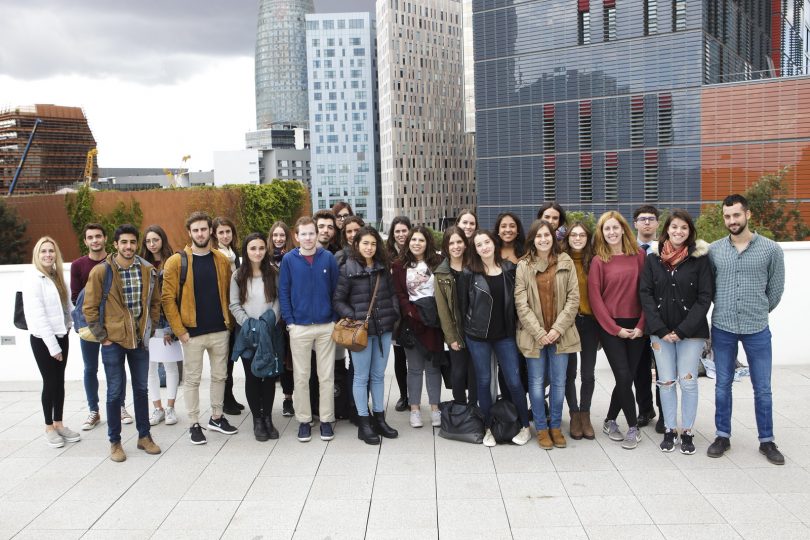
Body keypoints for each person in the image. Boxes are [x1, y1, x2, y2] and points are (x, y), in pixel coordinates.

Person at [707, 194, 785, 465]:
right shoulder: (714, 250)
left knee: (762, 387)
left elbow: (775, 290)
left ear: (748, 215)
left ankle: (767, 440)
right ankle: (722, 436)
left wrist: (758, 310)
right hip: (723, 327)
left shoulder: (771, 249)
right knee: (722, 385)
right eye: (727, 216)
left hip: (757, 328)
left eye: (736, 215)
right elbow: (710, 288)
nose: (732, 221)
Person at [84, 224, 161, 462]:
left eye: (132, 242)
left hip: (139, 340)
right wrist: (103, 337)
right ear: (115, 244)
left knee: (141, 389)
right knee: (115, 392)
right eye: (123, 242)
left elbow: (155, 303)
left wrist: (151, 327)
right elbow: (89, 307)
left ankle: (144, 436)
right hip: (113, 341)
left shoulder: (147, 269)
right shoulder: (101, 271)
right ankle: (115, 442)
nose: (128, 247)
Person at [639, 210, 713, 455]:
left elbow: (705, 298)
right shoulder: (653, 259)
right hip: (660, 333)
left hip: (690, 334)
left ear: (690, 231)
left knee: (688, 382)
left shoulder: (699, 259)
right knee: (666, 382)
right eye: (674, 227)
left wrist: (681, 330)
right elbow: (646, 294)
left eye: (683, 227)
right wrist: (661, 329)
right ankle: (670, 429)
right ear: (667, 230)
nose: (678, 231)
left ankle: (688, 432)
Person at [162, 211, 238, 445]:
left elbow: (228, 292)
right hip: (191, 333)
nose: (200, 233)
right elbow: (167, 299)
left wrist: (229, 325)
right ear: (190, 233)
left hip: (219, 330)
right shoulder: (177, 261)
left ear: (210, 231)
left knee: (220, 376)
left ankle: (216, 417)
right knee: (193, 380)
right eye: (196, 230)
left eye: (204, 229)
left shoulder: (221, 259)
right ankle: (194, 423)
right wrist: (180, 331)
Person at [459, 229, 531, 447]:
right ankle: (488, 427)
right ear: (475, 249)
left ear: (494, 243)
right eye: (479, 244)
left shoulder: (510, 268)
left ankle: (525, 426)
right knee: (483, 381)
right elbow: (463, 307)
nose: (484, 247)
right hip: (478, 336)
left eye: (487, 242)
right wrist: (466, 333)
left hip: (505, 335)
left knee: (514, 381)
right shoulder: (469, 273)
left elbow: (518, 302)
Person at [515, 220, 581, 450]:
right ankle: (541, 428)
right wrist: (540, 332)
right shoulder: (523, 265)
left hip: (561, 334)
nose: (543, 239)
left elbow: (574, 300)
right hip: (535, 336)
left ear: (553, 237)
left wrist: (556, 330)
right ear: (532, 239)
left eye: (547, 235)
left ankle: (555, 426)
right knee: (535, 383)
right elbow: (521, 304)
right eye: (539, 236)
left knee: (559, 383)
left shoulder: (566, 261)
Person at [333, 227, 400, 444]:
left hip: (383, 329)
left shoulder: (382, 267)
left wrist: (393, 316)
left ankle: (379, 419)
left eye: (373, 243)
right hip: (360, 332)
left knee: (379, 376)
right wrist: (356, 317)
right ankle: (363, 422)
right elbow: (338, 301)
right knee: (361, 377)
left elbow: (392, 295)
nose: (369, 247)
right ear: (356, 245)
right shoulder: (347, 269)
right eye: (365, 243)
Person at [588, 211, 647, 450]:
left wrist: (642, 326)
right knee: (623, 376)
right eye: (606, 229)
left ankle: (610, 419)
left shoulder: (640, 256)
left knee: (628, 378)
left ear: (623, 228)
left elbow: (647, 295)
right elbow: (595, 300)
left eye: (615, 227)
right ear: (601, 234)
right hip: (611, 327)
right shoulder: (598, 261)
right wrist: (614, 329)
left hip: (637, 326)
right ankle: (633, 427)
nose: (611, 232)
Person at [279, 216, 339, 442]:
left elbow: (336, 290)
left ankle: (326, 420)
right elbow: (283, 291)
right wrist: (290, 322)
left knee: (326, 376)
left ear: (317, 235)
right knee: (302, 377)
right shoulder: (289, 260)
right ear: (296, 237)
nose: (307, 237)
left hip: (325, 326)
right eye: (303, 234)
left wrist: (333, 318)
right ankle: (304, 420)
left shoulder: (328, 258)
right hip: (300, 327)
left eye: (311, 233)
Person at [70, 223, 130, 430]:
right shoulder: (78, 265)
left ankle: (121, 407)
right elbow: (75, 297)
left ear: (105, 239)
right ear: (85, 241)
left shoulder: (115, 261)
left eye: (98, 236)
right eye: (90, 237)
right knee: (90, 368)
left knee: (116, 367)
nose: (95, 240)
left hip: (114, 326)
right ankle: (93, 410)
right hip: (88, 325)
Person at [24, 237, 81, 448]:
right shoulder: (33, 279)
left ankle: (59, 423)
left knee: (60, 382)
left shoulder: (57, 276)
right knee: (50, 383)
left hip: (61, 335)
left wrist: (75, 325)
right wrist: (53, 347)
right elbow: (39, 317)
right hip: (43, 340)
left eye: (51, 251)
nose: (48, 255)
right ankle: (49, 427)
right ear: (37, 255)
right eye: (43, 251)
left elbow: (67, 307)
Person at [229, 232, 282, 442]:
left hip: (271, 331)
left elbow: (279, 300)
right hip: (247, 334)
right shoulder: (237, 276)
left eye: (261, 248)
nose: (257, 252)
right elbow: (234, 304)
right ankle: (257, 420)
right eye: (253, 248)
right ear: (246, 251)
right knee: (252, 376)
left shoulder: (274, 273)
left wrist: (268, 323)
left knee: (268, 376)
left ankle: (268, 418)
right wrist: (251, 326)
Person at [392, 226, 445, 429]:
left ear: (427, 243)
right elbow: (399, 293)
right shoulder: (399, 265)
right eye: (413, 239)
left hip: (433, 322)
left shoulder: (438, 262)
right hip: (411, 322)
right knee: (414, 369)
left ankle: (435, 409)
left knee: (433, 368)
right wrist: (412, 312)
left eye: (421, 240)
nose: (416, 243)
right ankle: (414, 410)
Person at [139, 225, 180, 427]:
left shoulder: (173, 261)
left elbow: (177, 296)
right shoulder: (140, 264)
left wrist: (172, 328)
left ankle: (171, 407)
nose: (152, 244)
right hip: (147, 324)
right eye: (148, 241)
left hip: (167, 322)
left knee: (170, 366)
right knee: (150, 368)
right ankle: (158, 409)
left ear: (162, 239)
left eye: (155, 239)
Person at [562, 222, 598, 440]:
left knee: (588, 373)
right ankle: (574, 413)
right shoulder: (562, 261)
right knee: (569, 373)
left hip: (590, 322)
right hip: (568, 323)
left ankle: (586, 413)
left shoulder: (594, 261)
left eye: (581, 235)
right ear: (567, 238)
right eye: (573, 235)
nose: (577, 238)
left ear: (588, 237)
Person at [435, 226, 476, 405]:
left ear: (466, 244)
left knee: (475, 372)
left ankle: (474, 408)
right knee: (458, 372)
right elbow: (442, 309)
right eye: (451, 243)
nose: (456, 246)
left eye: (459, 242)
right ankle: (460, 407)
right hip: (456, 329)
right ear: (446, 246)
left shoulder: (474, 267)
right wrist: (451, 337)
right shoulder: (441, 273)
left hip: (476, 329)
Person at [632, 205, 663, 432]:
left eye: (651, 219)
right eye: (642, 219)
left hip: (661, 318)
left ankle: (665, 413)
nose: (647, 223)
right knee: (639, 368)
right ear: (635, 223)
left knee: (663, 369)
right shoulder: (627, 249)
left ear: (658, 223)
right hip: (634, 317)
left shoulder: (667, 248)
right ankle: (645, 409)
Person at [213, 216, 245, 416]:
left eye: (228, 232)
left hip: (237, 316)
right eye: (221, 232)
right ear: (214, 235)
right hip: (222, 316)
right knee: (224, 361)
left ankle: (230, 397)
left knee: (232, 359)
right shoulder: (215, 257)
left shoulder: (237, 256)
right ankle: (225, 399)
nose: (225, 236)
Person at [269, 220, 296, 418]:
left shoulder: (294, 258)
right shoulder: (264, 259)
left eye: (282, 236)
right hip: (271, 316)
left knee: (289, 360)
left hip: (290, 315)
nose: (279, 239)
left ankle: (288, 398)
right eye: (275, 236)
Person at [386, 215, 412, 412]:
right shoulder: (387, 255)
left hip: (415, 311)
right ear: (392, 234)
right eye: (398, 231)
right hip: (396, 314)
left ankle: (416, 395)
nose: (402, 234)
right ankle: (404, 395)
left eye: (404, 230)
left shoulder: (417, 250)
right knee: (400, 356)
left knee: (416, 358)